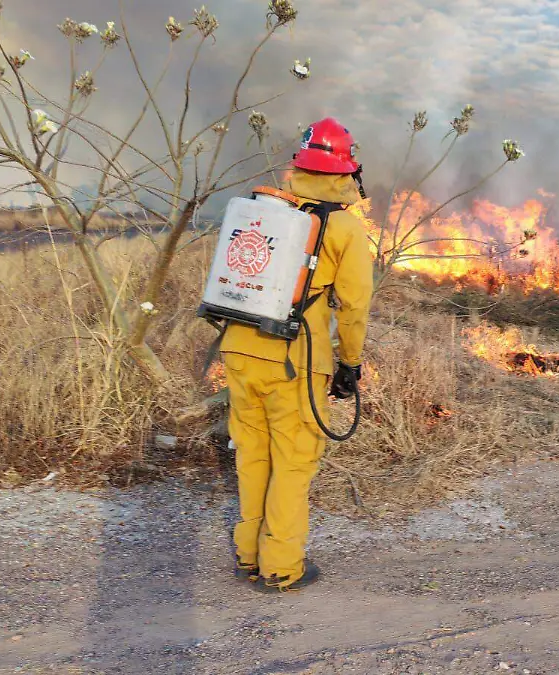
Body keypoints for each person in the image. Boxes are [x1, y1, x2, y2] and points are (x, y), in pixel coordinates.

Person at [219, 117, 373, 592]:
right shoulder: (345, 228)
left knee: (252, 453)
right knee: (294, 459)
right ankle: (281, 565)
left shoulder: (264, 213)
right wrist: (349, 364)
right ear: (347, 172)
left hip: (239, 348)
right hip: (296, 360)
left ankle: (248, 553)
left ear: (299, 166)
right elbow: (354, 306)